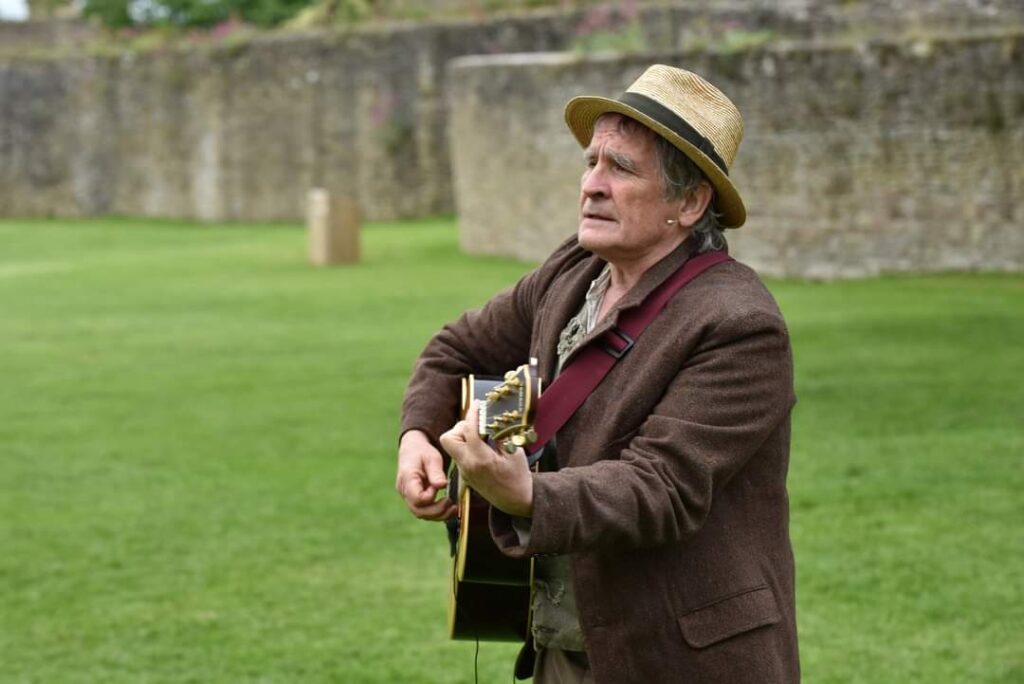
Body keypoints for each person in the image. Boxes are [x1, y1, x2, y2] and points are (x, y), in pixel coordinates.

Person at [396, 64, 799, 683]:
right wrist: (418, 435)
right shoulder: (574, 269)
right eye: (591, 163)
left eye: (622, 169)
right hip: (565, 647)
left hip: (683, 659)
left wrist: (526, 495)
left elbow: (661, 488)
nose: (591, 186)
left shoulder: (739, 324)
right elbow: (458, 349)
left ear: (690, 202)